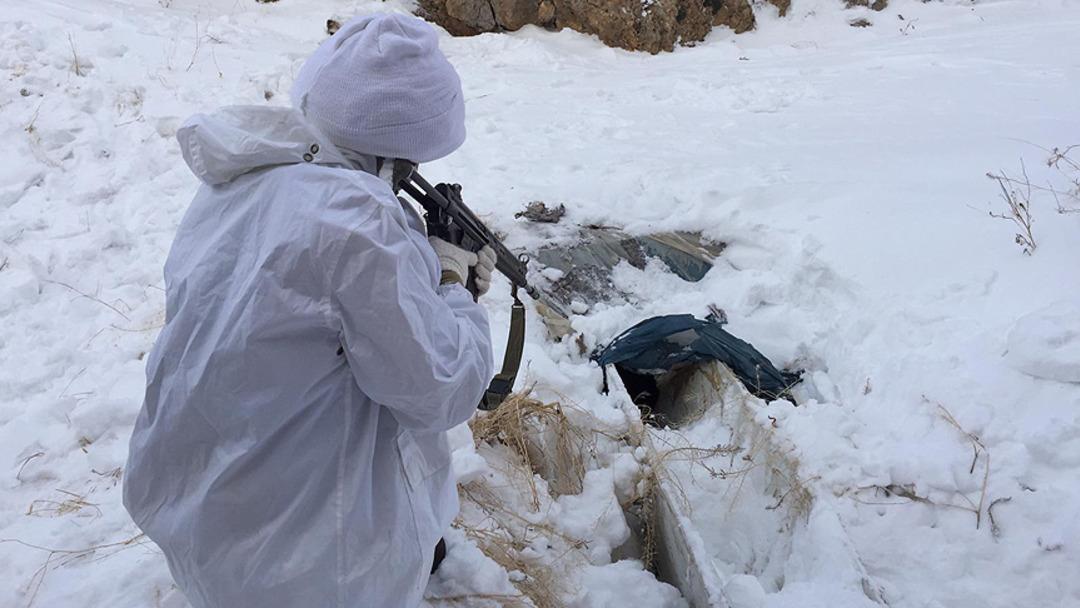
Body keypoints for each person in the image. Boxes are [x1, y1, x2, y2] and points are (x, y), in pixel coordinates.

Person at [123, 13, 495, 608]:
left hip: (197, 509)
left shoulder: (243, 175)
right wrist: (454, 284)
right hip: (305, 569)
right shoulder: (359, 223)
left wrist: (424, 267)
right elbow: (439, 390)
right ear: (403, 144)